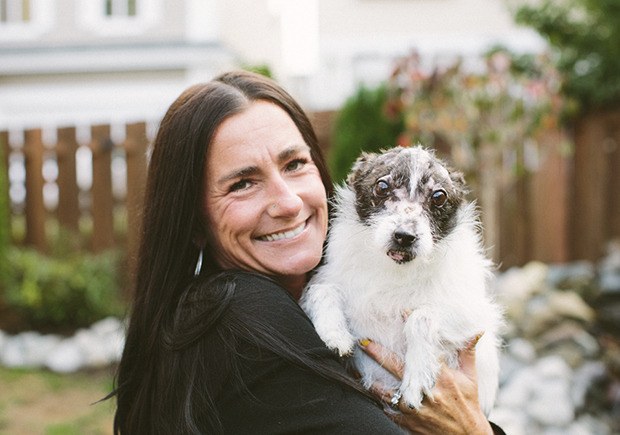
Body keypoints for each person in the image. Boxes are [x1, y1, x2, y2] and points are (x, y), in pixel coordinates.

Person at [112, 70, 505, 434]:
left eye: (295, 164)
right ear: (194, 222)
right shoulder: (240, 319)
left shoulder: (308, 297)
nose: (287, 202)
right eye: (243, 184)